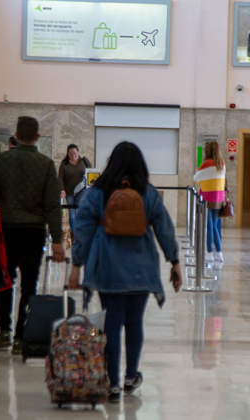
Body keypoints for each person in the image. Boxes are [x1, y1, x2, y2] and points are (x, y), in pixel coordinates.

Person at [68, 142, 182, 403]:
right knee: (134, 322)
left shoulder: (97, 194)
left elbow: (83, 231)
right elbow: (164, 229)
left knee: (112, 323)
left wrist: (76, 266)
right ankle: (131, 375)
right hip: (142, 268)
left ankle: (111, 382)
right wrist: (174, 261)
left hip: (107, 267)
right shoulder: (148, 193)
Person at [0, 116, 65, 355]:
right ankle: (21, 335)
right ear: (37, 137)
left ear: (16, 136)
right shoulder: (46, 164)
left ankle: (4, 332)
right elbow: (52, 206)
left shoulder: (2, 160)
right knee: (29, 285)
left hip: (7, 231)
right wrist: (57, 240)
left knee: (4, 281)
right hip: (34, 232)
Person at [193, 142, 227, 263]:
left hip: (207, 198)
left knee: (209, 226)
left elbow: (196, 179)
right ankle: (219, 254)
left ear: (207, 151)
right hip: (219, 198)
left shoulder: (206, 164)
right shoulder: (222, 163)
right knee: (215, 226)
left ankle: (209, 254)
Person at [58, 144, 91, 234]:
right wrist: (62, 190)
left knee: (80, 213)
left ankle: (81, 231)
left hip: (81, 192)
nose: (73, 155)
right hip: (69, 193)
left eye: (75, 153)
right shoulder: (64, 164)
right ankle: (74, 234)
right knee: (72, 214)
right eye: (71, 154)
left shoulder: (83, 161)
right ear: (68, 154)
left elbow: (91, 172)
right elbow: (60, 177)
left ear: (78, 152)